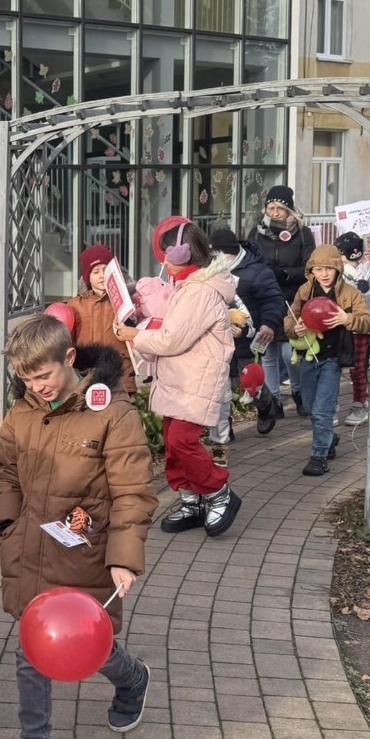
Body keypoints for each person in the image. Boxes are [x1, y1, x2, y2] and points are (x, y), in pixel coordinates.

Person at [0, 315, 157, 739]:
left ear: (69, 358)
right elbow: (8, 473)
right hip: (31, 549)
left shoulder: (112, 414)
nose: (36, 387)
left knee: (88, 644)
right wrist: (6, 521)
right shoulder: (21, 414)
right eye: (25, 378)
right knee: (32, 649)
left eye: (43, 375)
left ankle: (133, 677)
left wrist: (124, 558)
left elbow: (132, 492)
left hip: (85, 552)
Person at [129, 227, 241, 536]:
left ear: (183, 253)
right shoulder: (187, 285)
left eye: (168, 251)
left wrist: (136, 336)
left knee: (182, 441)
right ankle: (191, 500)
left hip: (195, 380)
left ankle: (219, 492)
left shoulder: (200, 291)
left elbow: (171, 339)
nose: (164, 259)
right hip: (180, 377)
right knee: (172, 441)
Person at [285, 245, 370, 477]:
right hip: (307, 357)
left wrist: (348, 318)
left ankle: (319, 456)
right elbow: (289, 318)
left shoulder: (350, 293)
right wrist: (296, 328)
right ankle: (329, 438)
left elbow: (367, 321)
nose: (324, 273)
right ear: (311, 270)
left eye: (329, 269)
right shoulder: (305, 291)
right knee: (310, 407)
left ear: (338, 269)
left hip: (332, 358)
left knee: (323, 410)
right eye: (318, 269)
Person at [210, 227, 287, 436]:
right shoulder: (211, 272)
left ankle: (267, 405)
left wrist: (268, 324)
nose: (213, 260)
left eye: (217, 255)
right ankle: (225, 429)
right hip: (218, 339)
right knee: (220, 384)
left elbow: (274, 300)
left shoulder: (257, 271)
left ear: (230, 253)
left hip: (249, 339)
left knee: (248, 381)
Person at [254, 185, 317, 415]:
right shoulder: (257, 232)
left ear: (290, 210)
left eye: (280, 208)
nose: (275, 212)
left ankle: (298, 391)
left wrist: (287, 274)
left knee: (288, 351)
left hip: (293, 297)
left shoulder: (302, 233)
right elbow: (252, 259)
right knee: (268, 349)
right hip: (267, 296)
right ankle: (274, 401)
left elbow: (311, 267)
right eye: (271, 207)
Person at [67, 243, 137, 394]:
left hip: (119, 372)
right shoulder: (75, 305)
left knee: (120, 413)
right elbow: (68, 339)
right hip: (86, 372)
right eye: (95, 271)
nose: (101, 276)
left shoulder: (123, 302)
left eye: (106, 270)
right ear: (87, 276)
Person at [334, 232, 370, 425]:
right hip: (337, 326)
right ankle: (330, 405)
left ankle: (360, 403)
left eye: (344, 256)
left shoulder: (368, 270)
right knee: (333, 366)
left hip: (360, 327)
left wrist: (366, 289)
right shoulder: (333, 272)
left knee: (358, 368)